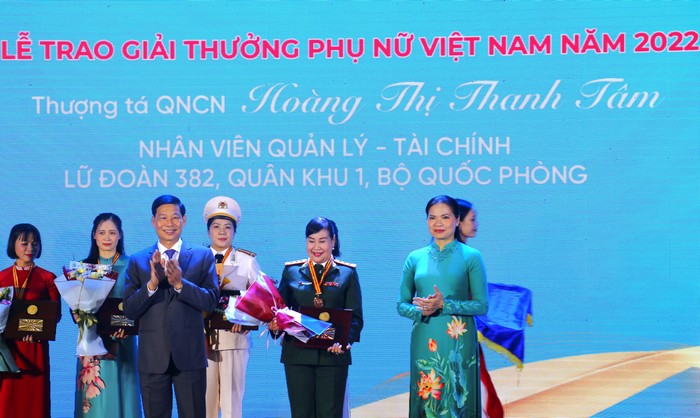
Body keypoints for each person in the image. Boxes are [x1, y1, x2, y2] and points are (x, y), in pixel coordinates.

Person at [123, 195, 219, 418]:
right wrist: (152, 285)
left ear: (184, 220)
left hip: (190, 356)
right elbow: (129, 310)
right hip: (152, 357)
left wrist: (180, 284)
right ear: (153, 221)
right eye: (163, 217)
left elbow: (210, 301)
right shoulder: (138, 260)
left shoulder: (203, 255)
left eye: (175, 217)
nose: (169, 223)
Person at [397, 195, 489, 418]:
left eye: (445, 217)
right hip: (425, 336)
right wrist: (421, 310)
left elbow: (481, 305)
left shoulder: (471, 257)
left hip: (458, 340)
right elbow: (401, 304)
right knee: (428, 399)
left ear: (457, 220)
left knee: (458, 397)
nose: (438, 223)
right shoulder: (415, 258)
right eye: (432, 218)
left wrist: (444, 305)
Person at [270, 217, 363, 418]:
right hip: (297, 355)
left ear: (333, 241)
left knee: (330, 413)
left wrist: (344, 341)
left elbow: (355, 317)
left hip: (332, 356)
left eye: (322, 240)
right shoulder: (291, 272)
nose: (316, 247)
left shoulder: (347, 273)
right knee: (301, 413)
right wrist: (274, 326)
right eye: (311, 240)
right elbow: (279, 311)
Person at [74, 213, 141, 418]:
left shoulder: (132, 265)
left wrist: (129, 327)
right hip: (91, 340)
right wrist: (77, 315)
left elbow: (138, 302)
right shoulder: (83, 268)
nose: (107, 237)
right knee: (94, 398)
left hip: (123, 339)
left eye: (112, 232)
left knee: (122, 390)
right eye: (102, 232)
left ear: (120, 235)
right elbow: (76, 303)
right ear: (94, 235)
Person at [202, 196, 261, 418]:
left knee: (231, 406)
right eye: (216, 226)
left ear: (234, 232)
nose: (222, 232)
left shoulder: (246, 261)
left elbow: (262, 298)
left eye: (227, 227)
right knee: (204, 404)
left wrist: (246, 320)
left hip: (234, 340)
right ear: (208, 230)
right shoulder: (196, 258)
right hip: (202, 341)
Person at [0, 223, 61, 418]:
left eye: (35, 243)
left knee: (34, 400)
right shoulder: (1, 278)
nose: (30, 248)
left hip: (35, 348)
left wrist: (36, 330)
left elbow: (55, 315)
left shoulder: (48, 278)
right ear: (13, 244)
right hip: (8, 350)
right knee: (7, 399)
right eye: (24, 243)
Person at [455, 198, 504, 418]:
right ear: (458, 221)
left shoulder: (469, 255)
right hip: (455, 335)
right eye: (472, 219)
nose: (476, 224)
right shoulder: (452, 258)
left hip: (467, 335)